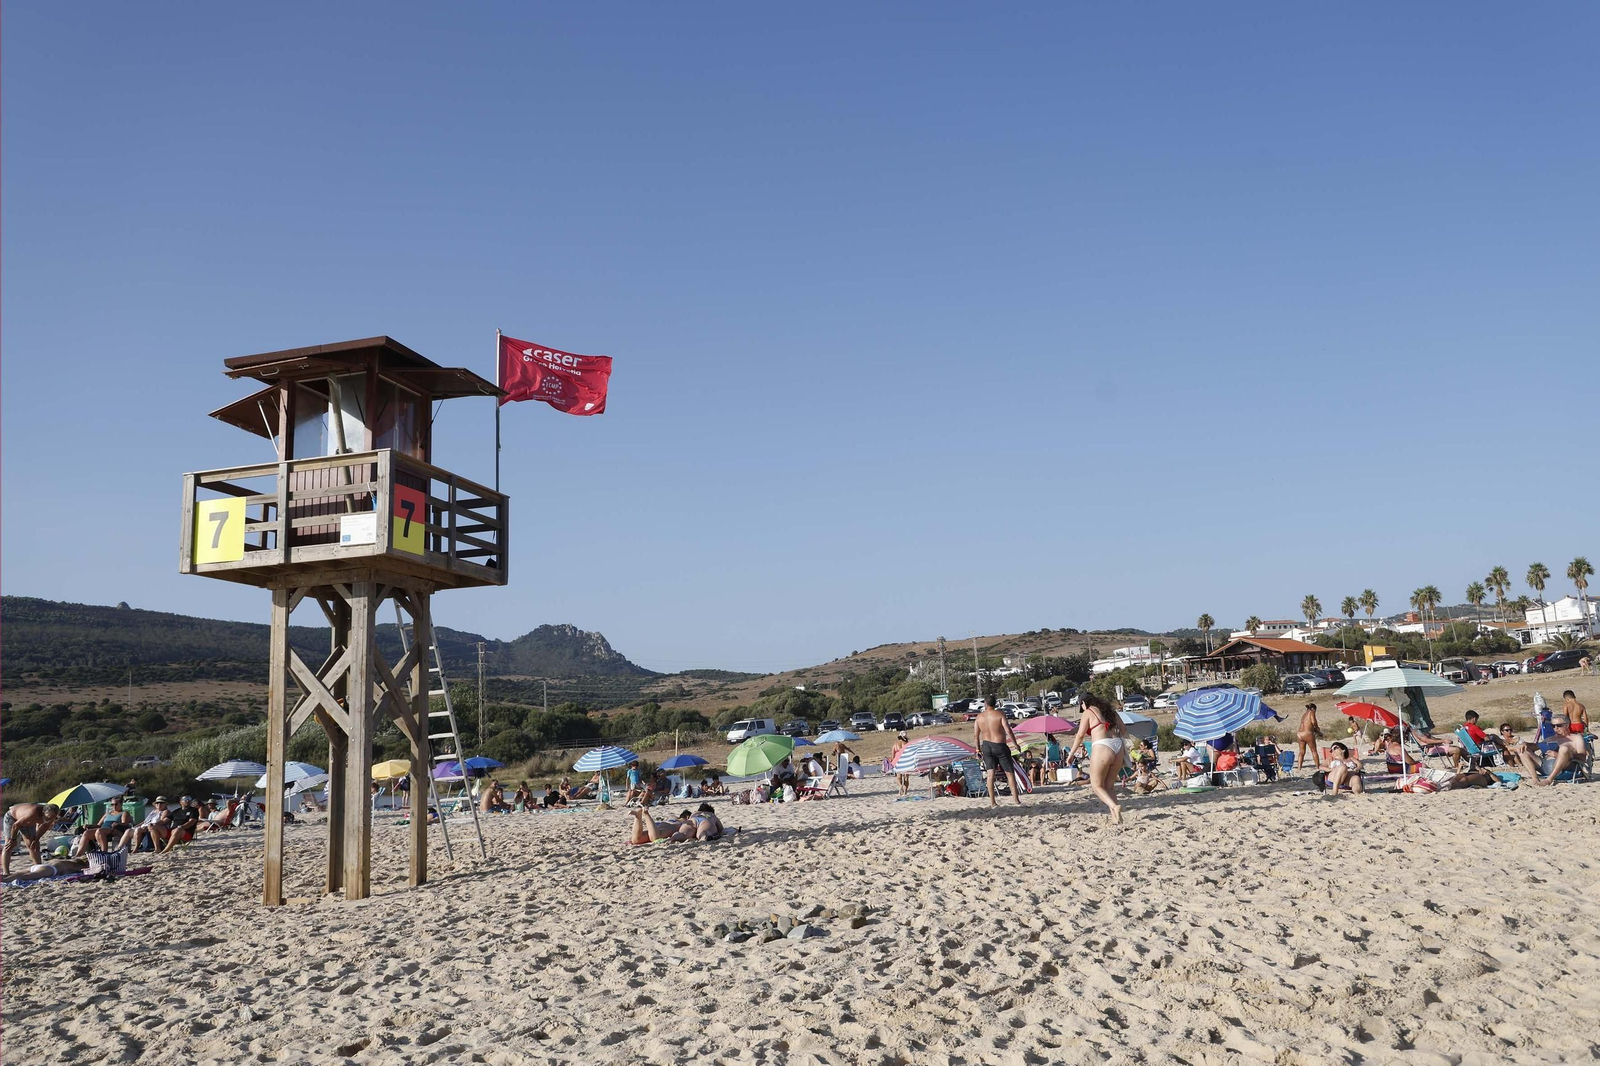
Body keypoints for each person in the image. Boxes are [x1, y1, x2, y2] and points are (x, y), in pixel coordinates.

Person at [1065, 692, 1127, 822]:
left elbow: (1080, 735)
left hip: (1102, 746)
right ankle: (1116, 818)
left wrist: (1071, 754)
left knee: (1097, 785)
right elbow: (1123, 729)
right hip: (1118, 746)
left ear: (1083, 703)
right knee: (1109, 786)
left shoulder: (1089, 711)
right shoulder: (1111, 712)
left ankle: (1114, 807)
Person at [972, 697, 1025, 808]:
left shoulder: (979, 717)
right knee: (1009, 773)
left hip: (986, 746)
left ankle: (993, 802)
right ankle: (1016, 800)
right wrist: (1015, 744)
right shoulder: (1000, 714)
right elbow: (1008, 730)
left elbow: (976, 735)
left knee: (990, 774)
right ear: (995, 704)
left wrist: (977, 750)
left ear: (986, 703)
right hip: (1000, 745)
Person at [1537, 690, 1590, 786]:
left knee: (1569, 743)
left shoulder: (1567, 705)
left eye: (1558, 726)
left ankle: (1549, 779)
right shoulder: (1581, 706)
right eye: (1553, 726)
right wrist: (1586, 729)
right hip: (1578, 725)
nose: (1555, 728)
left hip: (1571, 725)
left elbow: (1565, 716)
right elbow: (1585, 718)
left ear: (1567, 698)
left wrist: (1566, 725)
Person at [2, 802, 62, 876]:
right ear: (43, 813)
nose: (51, 819)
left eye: (54, 817)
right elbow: (16, 825)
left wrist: (36, 840)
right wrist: (13, 839)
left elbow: (45, 827)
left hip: (28, 823)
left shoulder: (52, 816)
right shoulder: (33, 813)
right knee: (9, 845)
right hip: (13, 818)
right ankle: (6, 872)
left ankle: (39, 868)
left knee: (34, 846)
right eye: (49, 817)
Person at [5, 855, 90, 883]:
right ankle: (4, 880)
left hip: (39, 866)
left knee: (14, 874)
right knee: (26, 876)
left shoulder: (65, 861)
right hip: (50, 869)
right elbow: (85, 869)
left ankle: (3, 878)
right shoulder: (74, 865)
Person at [1296, 702, 1324, 772]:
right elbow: (1313, 722)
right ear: (1313, 709)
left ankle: (1299, 768)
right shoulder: (1311, 712)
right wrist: (1317, 728)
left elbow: (1307, 724)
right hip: (1307, 733)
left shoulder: (1304, 714)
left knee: (1301, 752)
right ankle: (1318, 766)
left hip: (1299, 734)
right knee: (1314, 751)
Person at [889, 732, 911, 797]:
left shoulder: (895, 744)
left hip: (898, 762)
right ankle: (905, 792)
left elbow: (893, 757)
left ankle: (900, 786)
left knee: (899, 777)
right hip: (906, 761)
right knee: (906, 777)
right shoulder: (907, 744)